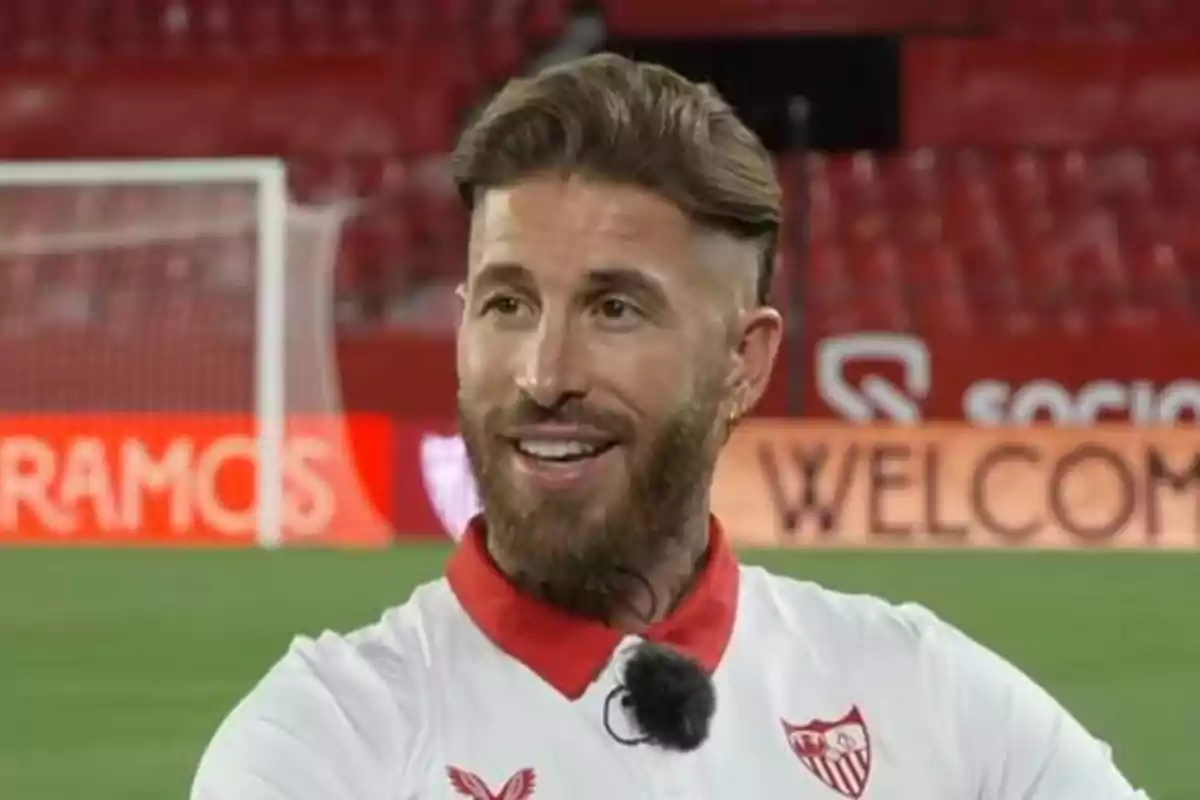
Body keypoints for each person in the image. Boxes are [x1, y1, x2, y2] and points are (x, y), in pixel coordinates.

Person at [191, 53, 1148, 799]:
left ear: (746, 361)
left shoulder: (922, 695)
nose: (543, 374)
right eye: (508, 305)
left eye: (615, 309)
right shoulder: (325, 742)